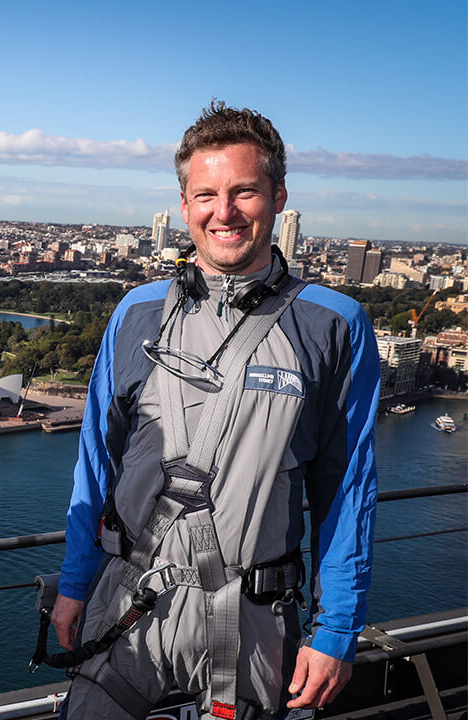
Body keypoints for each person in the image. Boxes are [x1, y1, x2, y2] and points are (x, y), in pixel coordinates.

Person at [51, 101, 380, 719]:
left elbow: (347, 488)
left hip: (252, 622)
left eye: (244, 192)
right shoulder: (136, 314)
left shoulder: (334, 326)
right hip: (126, 607)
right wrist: (74, 583)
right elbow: (95, 462)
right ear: (184, 205)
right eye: (206, 194)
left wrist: (336, 629)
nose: (223, 213)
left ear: (279, 196)